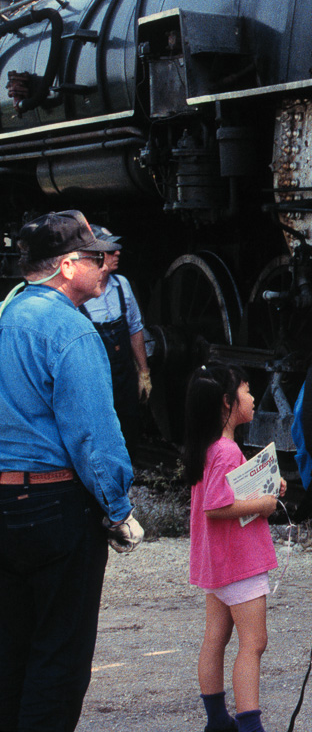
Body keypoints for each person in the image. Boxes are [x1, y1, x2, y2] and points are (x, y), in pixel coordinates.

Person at [0, 210, 144, 732]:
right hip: (57, 508)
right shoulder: (70, 329)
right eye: (93, 255)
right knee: (58, 660)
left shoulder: (6, 314)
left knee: (11, 653)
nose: (105, 263)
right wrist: (118, 507)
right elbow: (93, 436)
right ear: (66, 265)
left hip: (5, 504)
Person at [184, 364, 287, 732]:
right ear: (227, 402)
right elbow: (217, 505)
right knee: (254, 643)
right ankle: (250, 725)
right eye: (247, 391)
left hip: (217, 563)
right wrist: (264, 504)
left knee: (216, 638)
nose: (254, 397)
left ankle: (216, 720)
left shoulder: (211, 448)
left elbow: (226, 491)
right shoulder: (226, 451)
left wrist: (270, 486)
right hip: (239, 561)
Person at [79, 225, 151, 456]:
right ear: (95, 255)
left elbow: (135, 329)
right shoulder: (80, 294)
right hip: (97, 376)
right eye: (110, 249)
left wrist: (144, 372)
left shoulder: (123, 285)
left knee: (129, 424)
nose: (117, 252)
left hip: (124, 375)